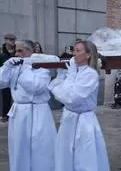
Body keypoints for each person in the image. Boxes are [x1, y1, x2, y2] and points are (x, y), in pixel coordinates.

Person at [49, 40, 110, 171]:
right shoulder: (75, 71)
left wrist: (67, 80)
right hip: (69, 119)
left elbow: (71, 98)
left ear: (88, 55)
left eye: (78, 51)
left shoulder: (90, 74)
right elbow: (55, 88)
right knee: (65, 153)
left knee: (84, 156)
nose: (73, 54)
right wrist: (62, 78)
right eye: (74, 50)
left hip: (83, 120)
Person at [0, 40, 56, 171]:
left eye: (21, 51)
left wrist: (24, 68)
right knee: (19, 148)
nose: (17, 54)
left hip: (38, 111)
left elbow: (36, 87)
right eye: (16, 51)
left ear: (30, 52)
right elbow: (1, 82)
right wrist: (6, 67)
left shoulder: (42, 67)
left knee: (40, 147)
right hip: (19, 112)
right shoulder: (14, 66)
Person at [0, 33, 16, 122]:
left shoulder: (17, 51)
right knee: (5, 96)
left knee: (16, 96)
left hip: (16, 76)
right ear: (5, 40)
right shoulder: (2, 52)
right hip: (5, 77)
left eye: (13, 40)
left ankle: (14, 114)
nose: (13, 42)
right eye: (10, 40)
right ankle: (5, 115)